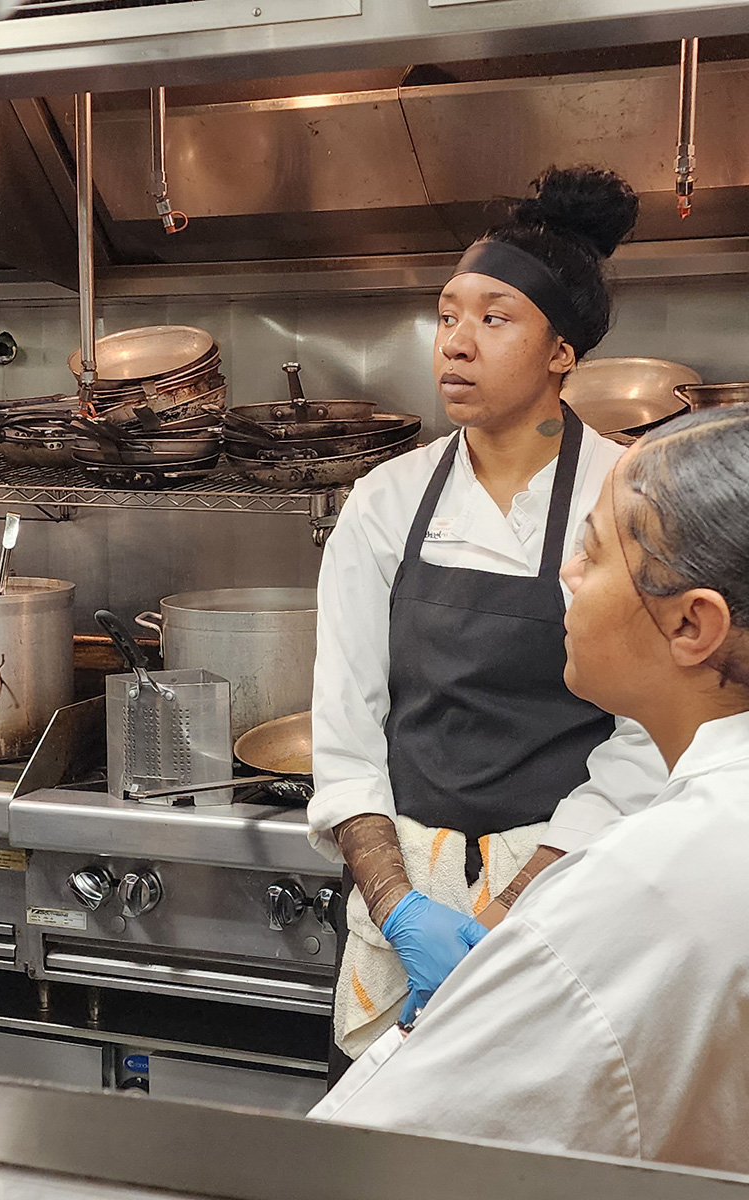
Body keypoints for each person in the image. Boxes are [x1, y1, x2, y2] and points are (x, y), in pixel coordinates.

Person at [311, 405, 749, 1171]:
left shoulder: (633, 898)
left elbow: (377, 1166)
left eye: (591, 554)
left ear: (692, 627)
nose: (566, 578)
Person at [308, 166, 669, 1060]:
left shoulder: (629, 498)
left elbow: (651, 739)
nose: (456, 345)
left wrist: (516, 906)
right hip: (406, 912)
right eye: (447, 314)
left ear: (562, 352)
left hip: (570, 904)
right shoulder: (384, 502)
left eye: (494, 317)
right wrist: (398, 907)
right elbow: (347, 733)